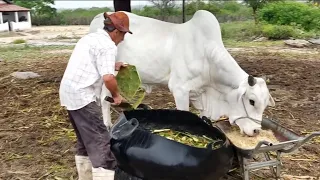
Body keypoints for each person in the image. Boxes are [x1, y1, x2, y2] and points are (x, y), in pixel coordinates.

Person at [59, 11, 132, 180]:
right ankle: (103, 174)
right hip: (84, 96)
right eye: (124, 35)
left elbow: (92, 62)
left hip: (69, 94)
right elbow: (108, 78)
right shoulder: (108, 46)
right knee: (101, 142)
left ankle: (85, 176)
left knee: (85, 142)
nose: (123, 39)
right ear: (116, 32)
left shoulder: (90, 38)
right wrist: (117, 96)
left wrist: (114, 65)